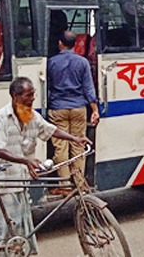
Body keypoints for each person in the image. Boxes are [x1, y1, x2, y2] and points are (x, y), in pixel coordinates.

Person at [0, 76, 89, 256]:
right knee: (9, 228)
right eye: (28, 95)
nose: (32, 98)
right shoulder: (1, 118)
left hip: (21, 180)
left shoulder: (31, 116)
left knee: (24, 223)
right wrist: (26, 161)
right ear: (15, 97)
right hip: (4, 181)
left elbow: (50, 130)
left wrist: (74, 138)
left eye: (33, 94)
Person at [47, 30, 99, 191]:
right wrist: (95, 110)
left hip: (58, 109)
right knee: (78, 145)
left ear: (60, 44)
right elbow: (89, 88)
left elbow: (47, 88)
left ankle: (64, 184)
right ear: (75, 44)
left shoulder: (51, 62)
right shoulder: (82, 62)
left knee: (60, 146)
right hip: (78, 108)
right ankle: (79, 183)